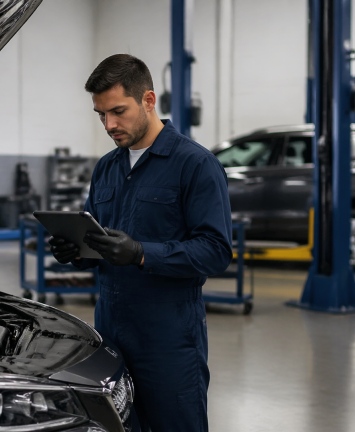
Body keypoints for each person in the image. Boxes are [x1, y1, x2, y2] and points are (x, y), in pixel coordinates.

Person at [48, 54, 232, 431]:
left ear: (148, 100)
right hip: (111, 330)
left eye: (118, 111)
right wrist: (75, 252)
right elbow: (96, 237)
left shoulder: (195, 164)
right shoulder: (107, 167)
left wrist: (142, 253)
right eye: (101, 115)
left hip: (169, 336)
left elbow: (216, 251)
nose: (109, 124)